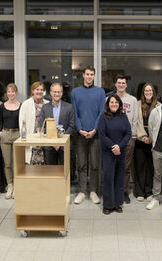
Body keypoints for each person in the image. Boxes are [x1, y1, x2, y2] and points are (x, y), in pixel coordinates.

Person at [71, 66, 106, 205]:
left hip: (95, 134)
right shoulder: (75, 92)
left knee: (95, 164)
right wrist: (80, 129)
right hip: (80, 134)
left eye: (92, 74)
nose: (89, 76)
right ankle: (82, 191)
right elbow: (75, 113)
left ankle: (93, 191)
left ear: (94, 76)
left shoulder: (100, 92)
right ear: (83, 75)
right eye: (87, 74)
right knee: (81, 164)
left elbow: (101, 112)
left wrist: (95, 129)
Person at [98, 94, 131, 214]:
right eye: (112, 102)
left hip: (121, 152)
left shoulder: (123, 116)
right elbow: (102, 135)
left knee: (119, 178)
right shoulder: (103, 117)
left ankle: (118, 203)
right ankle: (107, 205)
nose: (114, 104)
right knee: (108, 178)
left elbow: (128, 132)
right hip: (108, 153)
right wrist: (113, 146)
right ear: (108, 104)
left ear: (119, 104)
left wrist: (119, 146)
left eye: (116, 102)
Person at [113, 74, 138, 204]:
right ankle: (113, 190)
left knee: (126, 167)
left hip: (128, 139)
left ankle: (124, 191)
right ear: (115, 84)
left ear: (126, 85)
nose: (121, 85)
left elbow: (134, 119)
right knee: (113, 166)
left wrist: (132, 137)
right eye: (119, 83)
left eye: (123, 83)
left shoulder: (132, 100)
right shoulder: (110, 99)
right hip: (113, 140)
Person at [40, 83, 75, 165]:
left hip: (64, 145)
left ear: (62, 93)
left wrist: (60, 141)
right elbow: (43, 127)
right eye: (55, 92)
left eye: (59, 92)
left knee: (65, 172)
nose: (57, 94)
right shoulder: (45, 108)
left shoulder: (69, 107)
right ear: (51, 92)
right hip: (49, 146)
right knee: (51, 173)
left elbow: (72, 125)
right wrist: (53, 142)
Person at [134, 83, 159, 202]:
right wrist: (143, 137)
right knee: (139, 166)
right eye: (146, 91)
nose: (148, 92)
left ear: (153, 92)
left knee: (151, 167)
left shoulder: (159, 105)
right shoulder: (137, 104)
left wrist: (151, 138)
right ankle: (139, 192)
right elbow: (137, 122)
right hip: (140, 139)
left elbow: (159, 124)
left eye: (150, 90)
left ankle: (149, 192)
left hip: (154, 141)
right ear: (143, 92)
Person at [19, 81, 49, 165]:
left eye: (41, 90)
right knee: (32, 165)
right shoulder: (26, 104)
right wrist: (24, 139)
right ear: (32, 91)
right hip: (31, 137)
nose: (39, 92)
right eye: (37, 89)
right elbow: (22, 122)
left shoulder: (47, 103)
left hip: (44, 137)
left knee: (44, 164)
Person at [0, 83, 21, 200]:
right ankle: (10, 185)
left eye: (13, 91)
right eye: (9, 92)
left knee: (17, 163)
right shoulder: (2, 106)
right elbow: (0, 121)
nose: (11, 94)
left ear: (16, 92)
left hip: (17, 134)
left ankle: (17, 186)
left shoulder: (21, 106)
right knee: (7, 163)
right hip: (6, 134)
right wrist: (0, 132)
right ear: (6, 93)